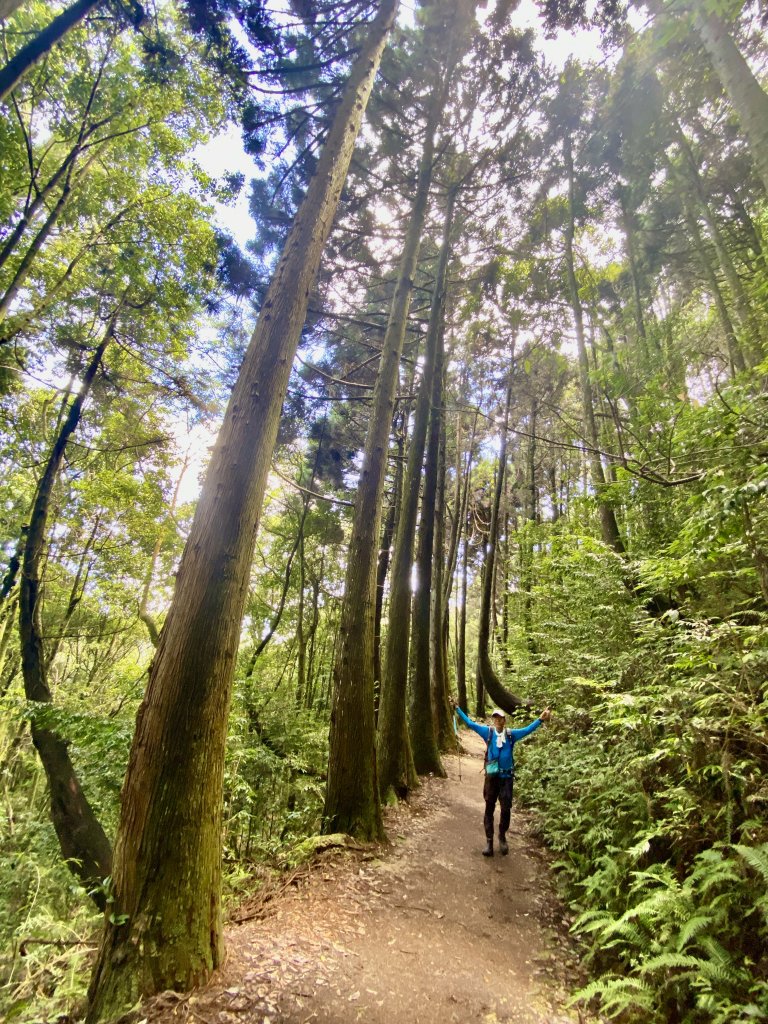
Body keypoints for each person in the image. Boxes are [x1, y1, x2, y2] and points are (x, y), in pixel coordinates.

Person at [450, 700, 551, 857]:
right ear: (493, 720)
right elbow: (470, 724)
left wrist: (540, 719)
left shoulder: (511, 735)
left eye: (500, 718)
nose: (498, 720)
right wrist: (457, 708)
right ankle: (489, 841)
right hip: (491, 778)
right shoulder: (487, 732)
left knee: (506, 809)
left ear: (504, 720)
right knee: (489, 808)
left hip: (506, 777)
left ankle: (502, 836)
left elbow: (527, 730)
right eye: (495, 718)